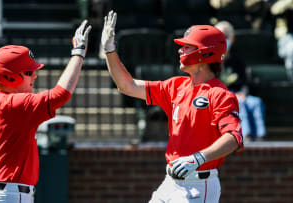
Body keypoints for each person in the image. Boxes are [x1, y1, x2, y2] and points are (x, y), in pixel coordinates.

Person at [101, 10, 243, 203]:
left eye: (187, 47)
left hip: (198, 185)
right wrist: (110, 50)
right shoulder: (175, 86)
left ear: (205, 53)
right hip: (170, 182)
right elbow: (127, 86)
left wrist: (198, 158)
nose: (180, 50)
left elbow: (234, 138)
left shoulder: (220, 94)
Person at [0, 20, 91, 203]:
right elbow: (61, 94)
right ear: (10, 76)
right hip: (11, 195)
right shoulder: (13, 105)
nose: (34, 75)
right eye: (28, 72)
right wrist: (78, 53)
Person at [215, 21, 267, 142]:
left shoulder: (238, 61)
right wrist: (231, 94)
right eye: (220, 36)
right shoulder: (212, 61)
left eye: (227, 36)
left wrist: (243, 92)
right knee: (239, 103)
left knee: (256, 102)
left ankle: (260, 138)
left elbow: (244, 82)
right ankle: (245, 137)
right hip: (222, 96)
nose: (224, 39)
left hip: (238, 93)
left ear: (232, 39)